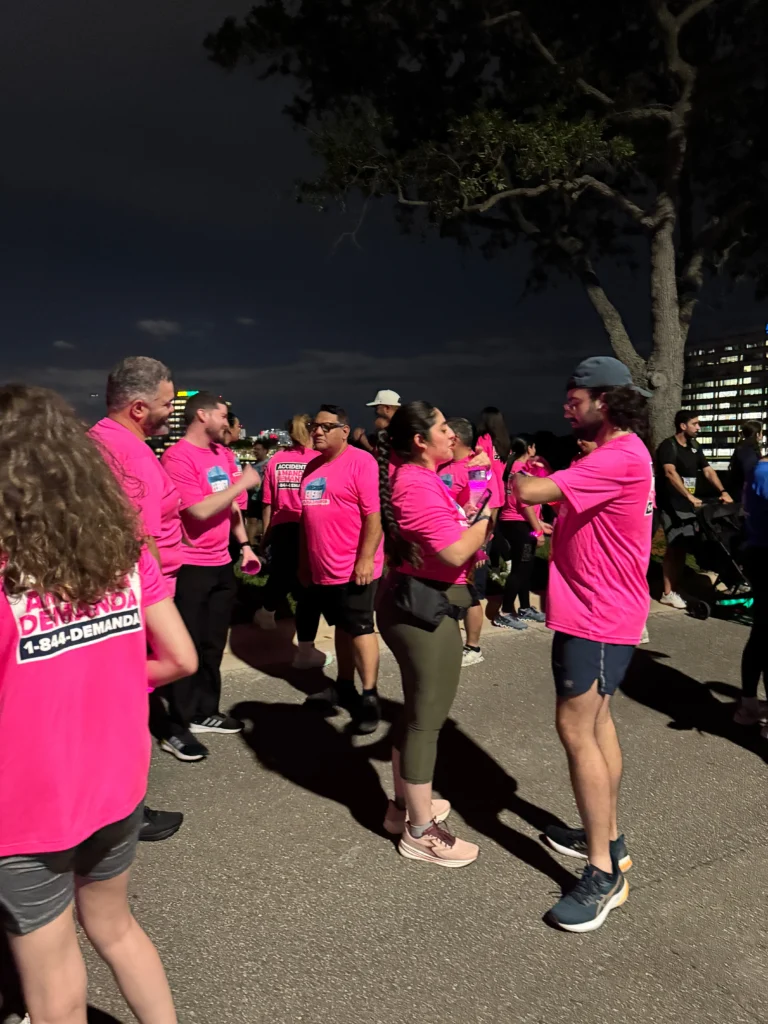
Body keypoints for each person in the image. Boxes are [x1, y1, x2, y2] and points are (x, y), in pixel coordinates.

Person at [0, 384, 197, 1024]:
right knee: (116, 928)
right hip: (118, 781)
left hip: (24, 810)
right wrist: (105, 679)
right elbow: (180, 659)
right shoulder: (121, 549)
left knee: (54, 982)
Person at [513, 356, 653, 932]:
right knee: (596, 724)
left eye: (576, 399)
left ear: (607, 400)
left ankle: (603, 874)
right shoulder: (614, 453)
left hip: (597, 614)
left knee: (576, 730)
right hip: (601, 610)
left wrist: (516, 472)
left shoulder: (617, 456)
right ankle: (609, 839)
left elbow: (531, 490)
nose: (567, 407)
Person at [377, 403, 492, 866]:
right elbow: (456, 550)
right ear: (420, 440)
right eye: (443, 428)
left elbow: (458, 525)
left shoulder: (424, 479)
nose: (452, 434)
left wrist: (478, 493)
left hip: (425, 604)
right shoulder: (415, 484)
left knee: (415, 713)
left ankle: (402, 807)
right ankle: (421, 832)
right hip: (424, 611)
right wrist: (487, 510)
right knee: (426, 720)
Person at [89, 356, 185, 843]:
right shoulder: (131, 453)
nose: (172, 410)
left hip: (105, 600)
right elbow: (141, 541)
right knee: (127, 709)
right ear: (140, 408)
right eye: (168, 403)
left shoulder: (97, 442)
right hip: (136, 603)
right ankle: (128, 810)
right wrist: (157, 607)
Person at [160, 392, 261, 761]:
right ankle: (178, 723)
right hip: (190, 566)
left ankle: (205, 711)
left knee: (213, 643)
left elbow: (231, 506)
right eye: (223, 414)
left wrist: (245, 545)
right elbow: (198, 510)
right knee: (186, 645)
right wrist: (242, 483)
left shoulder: (224, 454)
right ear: (202, 415)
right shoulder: (177, 457)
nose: (228, 421)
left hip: (221, 562)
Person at [300, 405, 384, 733]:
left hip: (354, 565)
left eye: (325, 426)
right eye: (314, 425)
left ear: (344, 431)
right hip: (323, 567)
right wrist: (305, 562)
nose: (317, 431)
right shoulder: (312, 467)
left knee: (361, 627)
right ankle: (344, 685)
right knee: (342, 627)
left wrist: (366, 558)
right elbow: (308, 521)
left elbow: (373, 515)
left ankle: (370, 696)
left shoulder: (361, 462)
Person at [254, 414, 332, 670]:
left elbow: (268, 503)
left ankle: (267, 612)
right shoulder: (318, 459)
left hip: (282, 526)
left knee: (281, 574)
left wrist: (266, 535)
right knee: (308, 588)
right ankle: (306, 649)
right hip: (309, 526)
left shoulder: (276, 460)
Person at [656, 410, 733, 609]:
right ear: (683, 426)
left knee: (684, 546)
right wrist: (688, 496)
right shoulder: (668, 446)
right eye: (695, 423)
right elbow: (670, 472)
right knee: (675, 547)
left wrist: (723, 491)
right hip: (671, 504)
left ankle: (676, 587)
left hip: (689, 506)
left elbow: (708, 471)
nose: (699, 427)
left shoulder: (694, 446)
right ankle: (667, 593)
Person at [440, 417, 491, 667]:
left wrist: (479, 547)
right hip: (445, 543)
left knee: (470, 596)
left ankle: (473, 647)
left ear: (455, 439)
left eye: (445, 433)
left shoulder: (476, 469)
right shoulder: (443, 465)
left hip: (469, 545)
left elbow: (483, 509)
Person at [493, 436, 552, 631]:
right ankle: (505, 613)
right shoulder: (520, 473)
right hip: (520, 526)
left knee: (526, 567)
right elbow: (525, 504)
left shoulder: (513, 469)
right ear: (530, 448)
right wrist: (538, 531)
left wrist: (538, 524)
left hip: (519, 524)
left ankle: (525, 607)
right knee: (520, 569)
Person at [733, 451, 768, 733]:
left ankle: (748, 705)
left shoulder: (759, 471)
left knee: (761, 635)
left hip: (759, 555)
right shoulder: (764, 474)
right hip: (765, 557)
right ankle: (748, 706)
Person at [223, 410, 249, 563]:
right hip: (230, 509)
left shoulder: (228, 451)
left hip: (239, 509)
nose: (240, 429)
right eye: (238, 426)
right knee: (231, 552)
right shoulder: (220, 453)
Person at [475, 406, 511, 509]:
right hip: (501, 487)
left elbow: (480, 463)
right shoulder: (505, 441)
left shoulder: (484, 438)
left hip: (488, 487)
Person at [729, 420, 763, 502]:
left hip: (739, 493)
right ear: (757, 434)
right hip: (745, 496)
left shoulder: (741, 447)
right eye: (762, 432)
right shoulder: (749, 450)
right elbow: (750, 473)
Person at [246, 439, 271, 544]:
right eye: (254, 449)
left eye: (258, 449)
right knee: (252, 521)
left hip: (265, 498)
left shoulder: (269, 464)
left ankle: (264, 544)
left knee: (266, 522)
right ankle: (250, 544)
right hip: (253, 497)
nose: (255, 451)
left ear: (265, 450)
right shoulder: (252, 466)